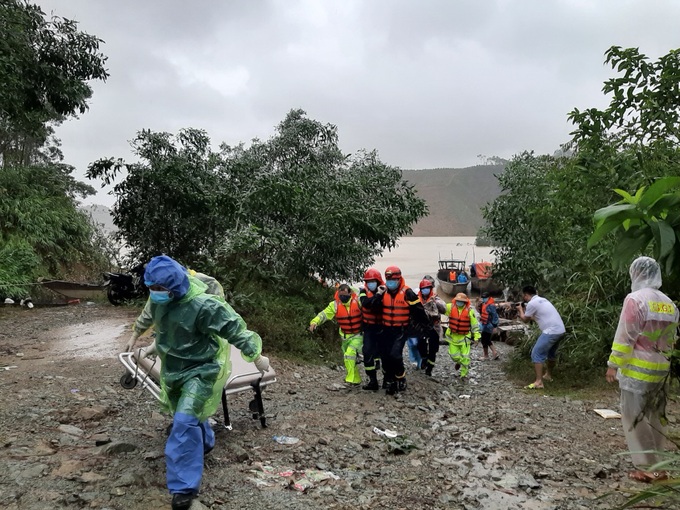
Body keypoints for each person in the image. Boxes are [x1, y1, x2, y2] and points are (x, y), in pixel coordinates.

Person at [134, 255, 269, 510]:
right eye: (151, 288)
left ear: (174, 286)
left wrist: (256, 356)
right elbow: (165, 328)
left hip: (202, 369)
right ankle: (204, 442)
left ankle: (183, 489)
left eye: (159, 288)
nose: (154, 293)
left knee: (183, 420)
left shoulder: (203, 305)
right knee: (188, 414)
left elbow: (234, 329)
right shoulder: (161, 301)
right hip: (174, 369)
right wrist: (153, 344)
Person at [605, 257, 678, 483]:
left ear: (635, 274)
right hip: (661, 368)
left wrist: (613, 365)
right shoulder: (669, 304)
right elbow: (673, 338)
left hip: (637, 369)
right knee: (655, 416)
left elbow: (626, 336)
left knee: (634, 418)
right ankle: (660, 466)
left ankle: (647, 468)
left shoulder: (635, 300)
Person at [125, 268, 225, 352]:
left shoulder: (203, 283)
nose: (157, 291)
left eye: (160, 288)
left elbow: (217, 313)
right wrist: (134, 336)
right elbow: (149, 312)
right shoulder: (158, 288)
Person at [375, 266, 429, 395]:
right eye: (388, 279)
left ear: (399, 279)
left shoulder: (408, 293)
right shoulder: (383, 292)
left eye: (393, 279)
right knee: (386, 356)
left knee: (395, 354)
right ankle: (390, 379)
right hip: (386, 329)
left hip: (401, 330)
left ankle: (400, 376)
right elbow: (374, 308)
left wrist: (426, 327)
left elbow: (419, 311)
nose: (390, 282)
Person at [309, 284, 364, 385]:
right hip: (344, 336)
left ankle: (350, 379)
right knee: (349, 359)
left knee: (349, 354)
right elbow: (324, 314)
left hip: (358, 335)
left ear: (350, 293)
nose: (342, 296)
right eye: (340, 294)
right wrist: (315, 322)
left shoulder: (358, 302)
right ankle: (355, 379)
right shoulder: (335, 304)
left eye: (344, 294)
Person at [517, 285, 565, 389]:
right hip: (560, 330)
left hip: (551, 331)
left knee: (536, 353)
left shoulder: (531, 303)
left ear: (526, 295)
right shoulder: (543, 300)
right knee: (551, 353)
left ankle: (539, 382)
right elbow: (537, 317)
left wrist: (520, 310)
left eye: (523, 296)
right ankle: (548, 375)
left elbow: (525, 320)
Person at [358, 268, 385, 390]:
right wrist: (378, 295)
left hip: (382, 327)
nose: (370, 283)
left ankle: (387, 379)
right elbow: (366, 303)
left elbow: (378, 306)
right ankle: (372, 380)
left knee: (385, 354)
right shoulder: (363, 291)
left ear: (378, 281)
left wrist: (379, 296)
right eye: (368, 281)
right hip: (369, 328)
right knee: (367, 352)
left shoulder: (386, 292)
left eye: (372, 281)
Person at [444, 293, 481, 380]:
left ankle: (464, 374)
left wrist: (476, 337)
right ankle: (459, 362)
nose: (459, 302)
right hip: (453, 337)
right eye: (458, 301)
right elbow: (441, 308)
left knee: (465, 356)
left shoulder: (469, 311)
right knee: (454, 356)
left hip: (464, 338)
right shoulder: (450, 307)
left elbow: (474, 325)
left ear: (465, 302)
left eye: (461, 301)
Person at [416, 278, 446, 376]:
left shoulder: (436, 298)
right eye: (424, 288)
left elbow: (444, 309)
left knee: (433, 349)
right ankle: (424, 358)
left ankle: (430, 368)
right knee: (421, 345)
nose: (426, 290)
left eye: (427, 288)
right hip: (422, 327)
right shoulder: (416, 299)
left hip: (434, 327)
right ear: (420, 289)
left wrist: (435, 303)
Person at [478, 292, 500, 360]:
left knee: (485, 339)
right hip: (485, 324)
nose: (484, 299)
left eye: (485, 298)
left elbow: (495, 316)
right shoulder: (484, 304)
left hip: (489, 325)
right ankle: (489, 354)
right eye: (483, 298)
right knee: (484, 339)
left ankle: (491, 354)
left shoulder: (491, 305)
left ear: (488, 297)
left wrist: (494, 326)